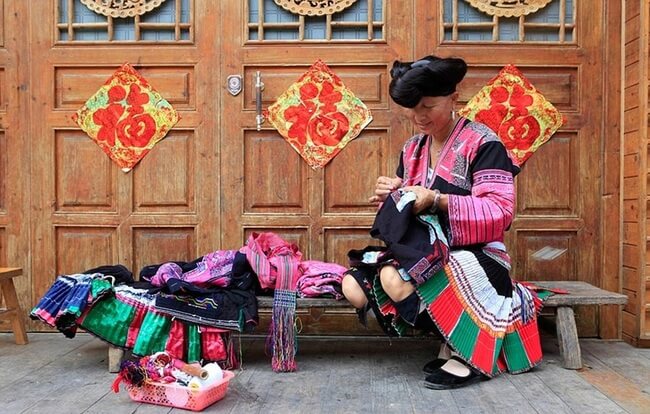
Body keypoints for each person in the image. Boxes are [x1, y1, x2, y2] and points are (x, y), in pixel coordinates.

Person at [341, 55, 544, 390]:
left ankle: (467, 351)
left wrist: (436, 200)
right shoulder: (412, 149)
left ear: (454, 98)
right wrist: (392, 192)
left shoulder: (484, 143)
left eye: (428, 106)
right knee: (356, 286)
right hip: (425, 249)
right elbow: (406, 203)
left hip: (477, 255)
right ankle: (451, 337)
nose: (418, 117)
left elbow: (500, 212)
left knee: (399, 278)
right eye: (411, 107)